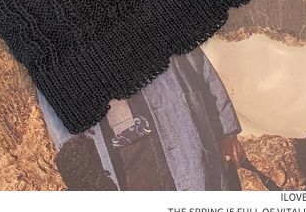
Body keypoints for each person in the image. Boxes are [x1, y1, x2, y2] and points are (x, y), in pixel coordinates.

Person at [40, 47, 246, 190]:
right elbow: (54, 100)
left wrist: (225, 131)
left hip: (181, 133)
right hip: (117, 159)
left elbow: (197, 62)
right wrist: (83, 175)